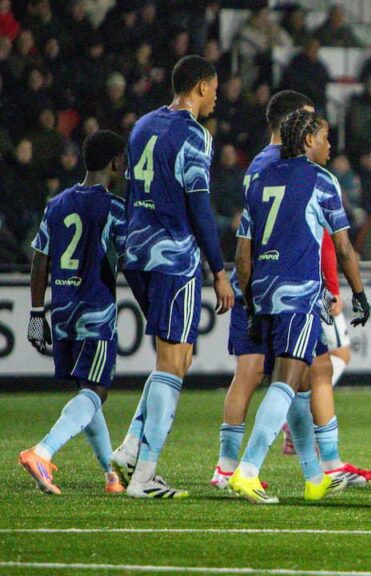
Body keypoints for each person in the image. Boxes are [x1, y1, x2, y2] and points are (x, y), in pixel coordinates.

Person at [211, 90, 371, 492]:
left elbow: (242, 252)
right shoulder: (321, 180)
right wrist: (358, 293)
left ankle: (316, 473)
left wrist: (248, 300)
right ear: (306, 139)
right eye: (323, 136)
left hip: (260, 291)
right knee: (283, 380)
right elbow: (344, 247)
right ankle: (244, 470)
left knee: (309, 372)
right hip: (297, 293)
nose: (330, 145)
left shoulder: (259, 175)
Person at [111, 55, 234, 499]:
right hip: (173, 255)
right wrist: (218, 270)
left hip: (137, 251)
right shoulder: (195, 135)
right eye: (215, 88)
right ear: (200, 87)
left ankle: (128, 451)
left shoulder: (143, 125)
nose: (217, 96)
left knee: (175, 358)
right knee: (174, 361)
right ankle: (143, 477)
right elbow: (199, 204)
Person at [18, 130, 127, 496]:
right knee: (97, 389)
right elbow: (130, 256)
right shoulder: (113, 207)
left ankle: (110, 473)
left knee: (88, 389)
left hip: (62, 310)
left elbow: (40, 261)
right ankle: (42, 452)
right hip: (95, 310)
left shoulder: (58, 203)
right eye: (123, 161)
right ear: (115, 162)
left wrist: (36, 313)